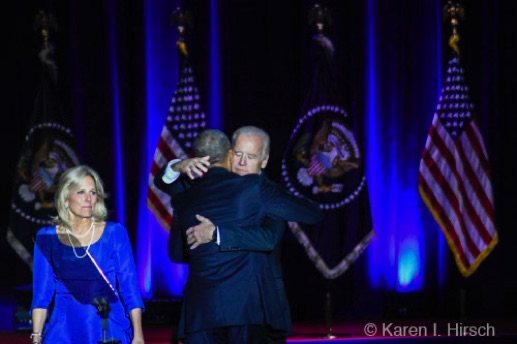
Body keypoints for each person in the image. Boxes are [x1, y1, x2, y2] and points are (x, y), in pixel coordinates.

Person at [154, 129, 323, 343]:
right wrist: (177, 166)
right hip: (211, 311)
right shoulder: (200, 190)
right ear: (229, 154)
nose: (242, 163)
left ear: (264, 161)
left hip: (261, 306)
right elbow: (165, 184)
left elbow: (269, 238)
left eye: (250, 157)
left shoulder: (266, 193)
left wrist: (217, 234)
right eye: (238, 154)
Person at [30, 165, 145, 344]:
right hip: (64, 331)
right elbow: (41, 294)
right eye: (81, 192)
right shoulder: (46, 237)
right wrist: (36, 337)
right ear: (66, 199)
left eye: (92, 192)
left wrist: (138, 335)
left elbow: (129, 287)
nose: (88, 199)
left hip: (108, 327)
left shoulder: (114, 233)